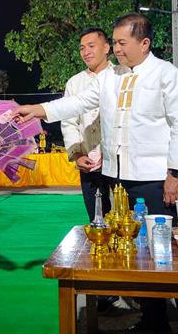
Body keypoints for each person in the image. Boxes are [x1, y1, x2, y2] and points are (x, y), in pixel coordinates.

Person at [16, 14, 178, 333]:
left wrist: (175, 174)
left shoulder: (168, 76)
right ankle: (153, 320)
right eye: (114, 43)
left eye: (121, 43)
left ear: (144, 43)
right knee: (133, 252)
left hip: (156, 181)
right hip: (119, 181)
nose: (116, 49)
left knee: (170, 252)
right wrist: (38, 110)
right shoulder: (110, 77)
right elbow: (75, 103)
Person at [61, 27, 113, 222]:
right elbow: (68, 122)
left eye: (91, 46)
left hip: (120, 164)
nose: (86, 52)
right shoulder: (74, 83)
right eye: (82, 48)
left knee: (127, 217)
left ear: (107, 47)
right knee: (97, 218)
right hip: (88, 164)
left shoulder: (121, 76)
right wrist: (77, 154)